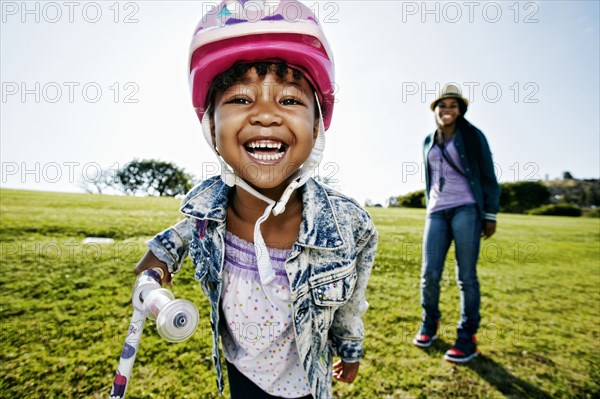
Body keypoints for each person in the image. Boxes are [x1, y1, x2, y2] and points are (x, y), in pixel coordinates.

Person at [134, 1, 378, 398]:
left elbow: (351, 303)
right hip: (240, 369)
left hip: (305, 382)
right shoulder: (207, 211)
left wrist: (350, 347)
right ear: (210, 126)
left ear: (317, 127)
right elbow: (181, 236)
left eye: (289, 100)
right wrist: (160, 258)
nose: (266, 115)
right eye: (241, 99)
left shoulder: (350, 225)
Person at [412, 84, 500, 363]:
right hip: (437, 211)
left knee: (466, 277)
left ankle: (467, 336)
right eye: (442, 105)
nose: (447, 110)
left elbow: (488, 173)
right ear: (435, 110)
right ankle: (430, 323)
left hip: (467, 209)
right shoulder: (429, 140)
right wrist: (430, 205)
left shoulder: (473, 137)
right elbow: (429, 178)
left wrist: (490, 214)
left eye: (453, 105)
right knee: (429, 274)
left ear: (460, 110)